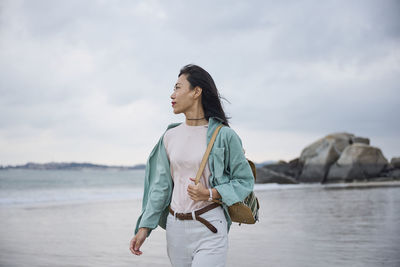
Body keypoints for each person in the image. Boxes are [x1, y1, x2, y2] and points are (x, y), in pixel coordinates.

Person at [129, 64, 254, 267]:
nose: (172, 94)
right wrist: (144, 228)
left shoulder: (224, 136)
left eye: (178, 88)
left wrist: (210, 193)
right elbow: (159, 188)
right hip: (175, 228)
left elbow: (244, 180)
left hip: (210, 225)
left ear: (196, 92)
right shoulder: (169, 137)